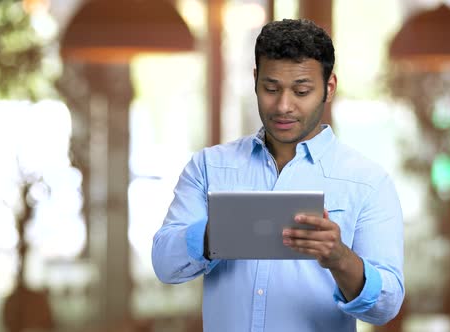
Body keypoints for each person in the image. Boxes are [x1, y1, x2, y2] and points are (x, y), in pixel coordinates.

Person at [152, 18, 404, 332]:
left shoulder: (368, 183)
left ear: (329, 88)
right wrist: (218, 233)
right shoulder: (209, 167)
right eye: (271, 89)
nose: (283, 106)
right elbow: (165, 264)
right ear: (256, 80)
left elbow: (386, 305)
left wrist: (340, 257)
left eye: (301, 91)